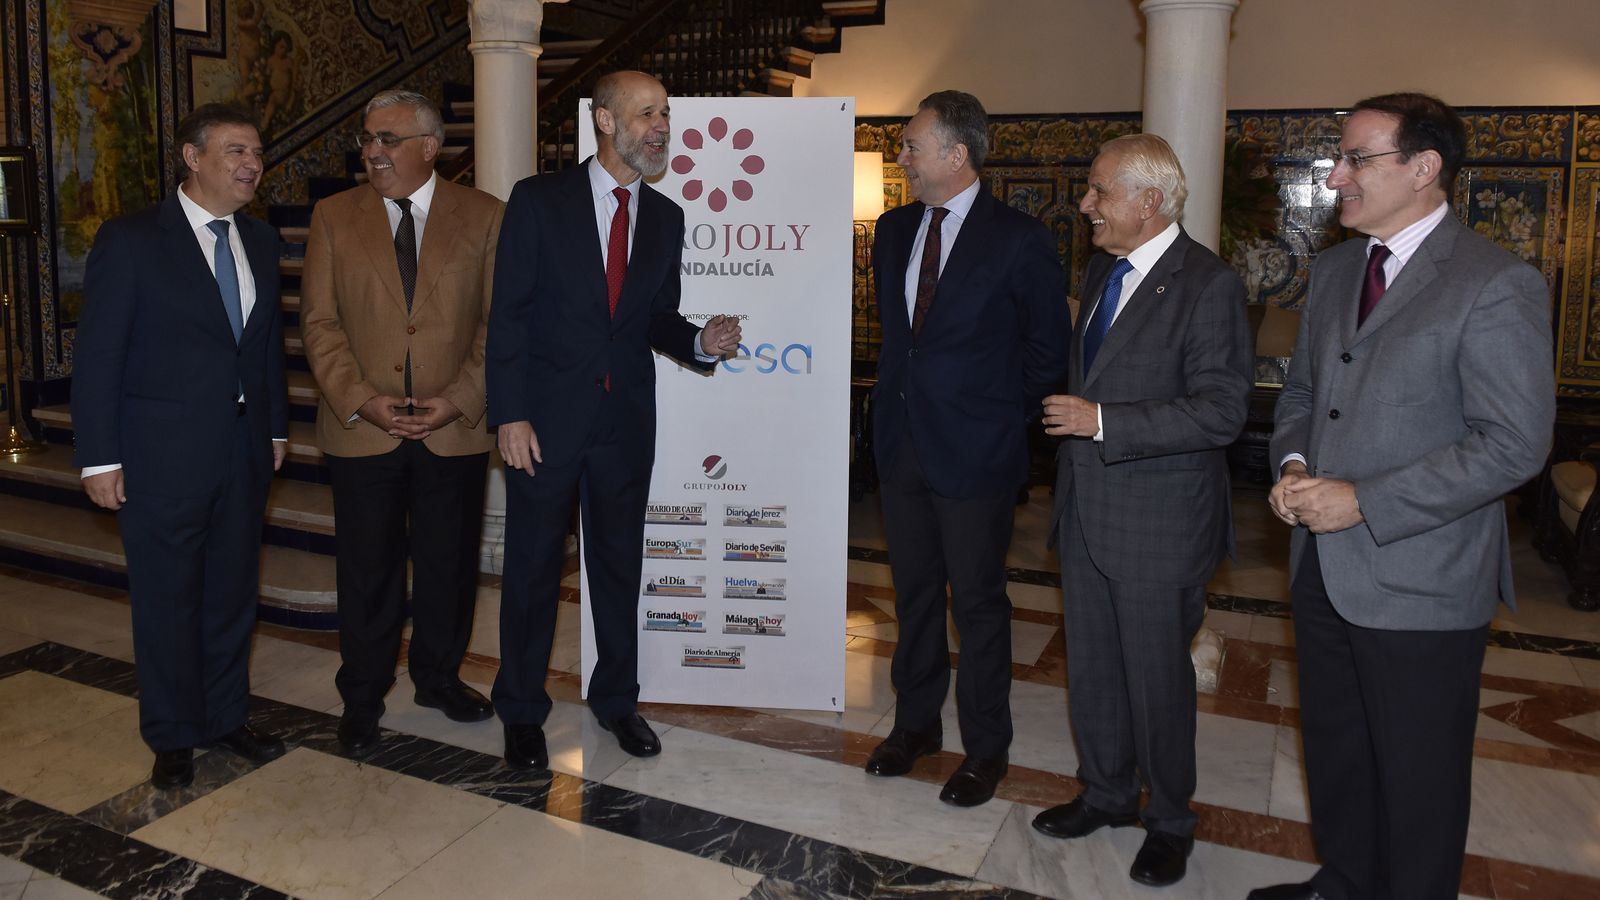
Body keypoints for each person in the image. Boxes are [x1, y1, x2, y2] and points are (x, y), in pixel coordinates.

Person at [1252, 93, 1554, 900]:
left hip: (1423, 578)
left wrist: (1365, 500)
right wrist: (1293, 467)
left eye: (1357, 159)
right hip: (1322, 564)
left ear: (1423, 168)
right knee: (1340, 748)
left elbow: (1515, 444)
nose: (1337, 176)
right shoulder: (1339, 269)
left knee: (1418, 776)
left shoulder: (1495, 282)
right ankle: (1346, 879)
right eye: (1339, 159)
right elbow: (1304, 396)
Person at [486, 70, 741, 770]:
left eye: (665, 114)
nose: (661, 127)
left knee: (619, 569)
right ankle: (521, 709)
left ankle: (617, 701)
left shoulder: (665, 217)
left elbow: (653, 317)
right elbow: (506, 314)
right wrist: (509, 414)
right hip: (544, 423)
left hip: (625, 425)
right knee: (534, 570)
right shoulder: (539, 201)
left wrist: (698, 341)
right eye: (646, 113)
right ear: (604, 120)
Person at [1034, 133, 1251, 888]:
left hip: (1160, 521)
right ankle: (1106, 793)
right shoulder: (1101, 271)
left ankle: (1171, 822)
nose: (1086, 205)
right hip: (1088, 511)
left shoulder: (1208, 285)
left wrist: (1104, 422)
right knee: (1091, 668)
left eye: (1099, 192)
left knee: (1158, 680)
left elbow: (1222, 412)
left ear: (1148, 201)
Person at [72, 104, 289, 790]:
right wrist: (99, 457)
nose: (250, 163)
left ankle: (225, 717)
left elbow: (263, 353)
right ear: (192, 158)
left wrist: (277, 427)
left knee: (230, 596)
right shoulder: (133, 239)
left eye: (255, 151)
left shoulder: (259, 241)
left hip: (243, 453)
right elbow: (99, 354)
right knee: (168, 599)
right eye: (234, 151)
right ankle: (170, 733)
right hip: (159, 456)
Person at [864, 90, 1071, 808]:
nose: (903, 159)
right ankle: (915, 726)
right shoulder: (890, 232)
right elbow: (902, 342)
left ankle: (986, 749)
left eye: (913, 147)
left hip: (976, 456)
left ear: (957, 154)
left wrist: (995, 421)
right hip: (902, 447)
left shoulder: (1018, 238)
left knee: (978, 604)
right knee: (914, 597)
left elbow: (1048, 352)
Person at [300, 90, 503, 758]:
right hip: (364, 430)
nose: (372, 151)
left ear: (428, 145)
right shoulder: (334, 217)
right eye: (366, 139)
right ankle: (362, 695)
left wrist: (461, 397)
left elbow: (497, 325)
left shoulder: (484, 217)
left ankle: (438, 679)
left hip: (454, 428)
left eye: (387, 139)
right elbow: (319, 324)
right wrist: (361, 399)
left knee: (448, 564)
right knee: (367, 571)